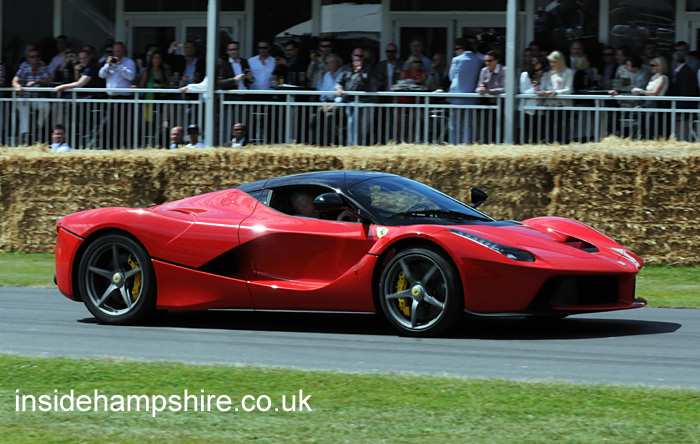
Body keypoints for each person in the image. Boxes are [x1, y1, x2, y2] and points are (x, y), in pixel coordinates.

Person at [445, 37, 482, 144]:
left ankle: (454, 144)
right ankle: (466, 144)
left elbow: (451, 77)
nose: (456, 52)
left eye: (457, 49)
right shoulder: (478, 61)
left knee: (454, 124)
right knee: (468, 124)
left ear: (461, 48)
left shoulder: (456, 60)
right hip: (471, 96)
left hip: (456, 96)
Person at [12, 48, 52, 144]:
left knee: (46, 106)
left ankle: (38, 128)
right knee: (24, 111)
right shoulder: (24, 69)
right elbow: (14, 81)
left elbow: (50, 78)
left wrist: (36, 82)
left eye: (37, 56)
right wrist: (18, 87)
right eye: (32, 56)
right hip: (24, 98)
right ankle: (24, 138)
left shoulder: (44, 68)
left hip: (36, 98)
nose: (35, 58)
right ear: (28, 58)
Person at [335, 47, 375, 145]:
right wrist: (339, 89)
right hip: (349, 101)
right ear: (352, 56)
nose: (358, 58)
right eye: (356, 55)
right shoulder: (346, 68)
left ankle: (355, 145)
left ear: (363, 57)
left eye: (360, 56)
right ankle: (353, 145)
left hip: (362, 101)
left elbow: (366, 83)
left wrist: (359, 72)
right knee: (352, 123)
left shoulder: (368, 69)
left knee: (355, 123)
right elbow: (338, 82)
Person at [541, 50, 574, 143]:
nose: (552, 64)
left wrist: (555, 92)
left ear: (560, 61)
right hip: (549, 106)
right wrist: (547, 92)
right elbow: (548, 87)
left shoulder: (568, 72)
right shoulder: (550, 73)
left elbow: (568, 89)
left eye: (554, 62)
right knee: (550, 129)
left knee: (561, 129)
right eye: (551, 62)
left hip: (562, 106)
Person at [519, 57, 547, 143]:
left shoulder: (545, 75)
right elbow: (523, 91)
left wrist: (542, 92)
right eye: (537, 70)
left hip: (540, 108)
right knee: (527, 132)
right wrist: (535, 91)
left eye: (541, 69)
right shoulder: (525, 75)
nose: (539, 71)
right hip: (528, 108)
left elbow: (545, 89)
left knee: (539, 133)